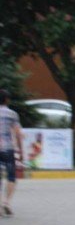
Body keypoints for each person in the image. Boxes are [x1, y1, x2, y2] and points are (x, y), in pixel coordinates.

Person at [0, 89, 25, 217]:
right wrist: (20, 150)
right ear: (7, 100)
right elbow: (18, 133)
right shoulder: (12, 114)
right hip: (8, 149)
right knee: (11, 176)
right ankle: (6, 203)